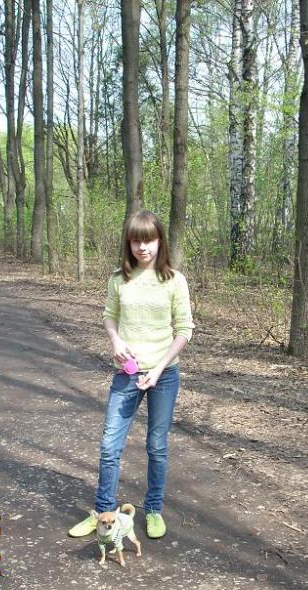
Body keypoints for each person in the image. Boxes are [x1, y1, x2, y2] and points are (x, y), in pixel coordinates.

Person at [68, 210, 194, 540]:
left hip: (164, 375)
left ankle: (153, 510)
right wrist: (116, 341)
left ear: (160, 241)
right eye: (136, 241)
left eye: (149, 240)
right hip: (127, 375)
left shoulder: (174, 281)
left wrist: (159, 369)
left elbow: (184, 330)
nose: (143, 247)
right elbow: (109, 316)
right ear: (129, 243)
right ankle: (102, 513)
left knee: (156, 446)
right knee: (110, 446)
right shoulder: (118, 279)